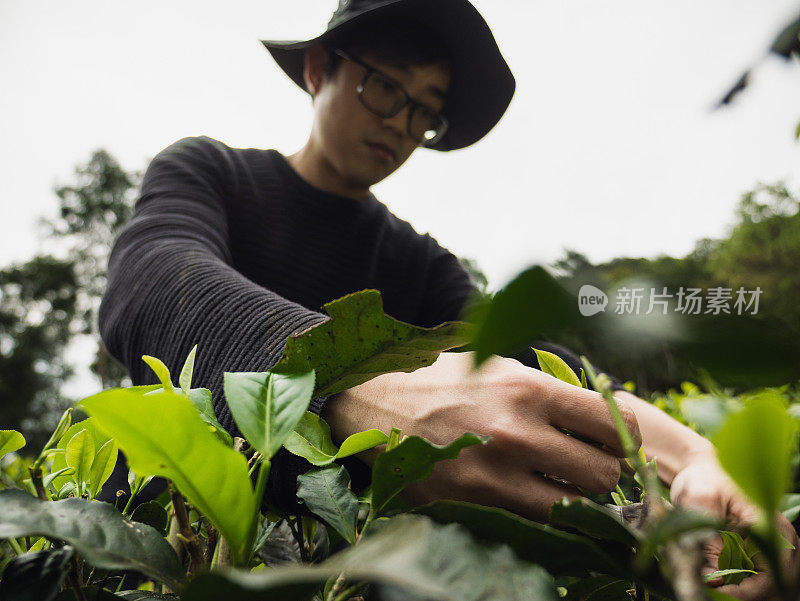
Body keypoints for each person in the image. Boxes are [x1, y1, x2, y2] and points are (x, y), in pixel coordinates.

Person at [98, 0, 795, 597]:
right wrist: (364, 388)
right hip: (169, 541)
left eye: (426, 111)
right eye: (384, 88)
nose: (403, 125)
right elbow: (155, 278)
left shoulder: (415, 260)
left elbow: (538, 366)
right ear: (318, 69)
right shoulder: (211, 172)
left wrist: (697, 457)